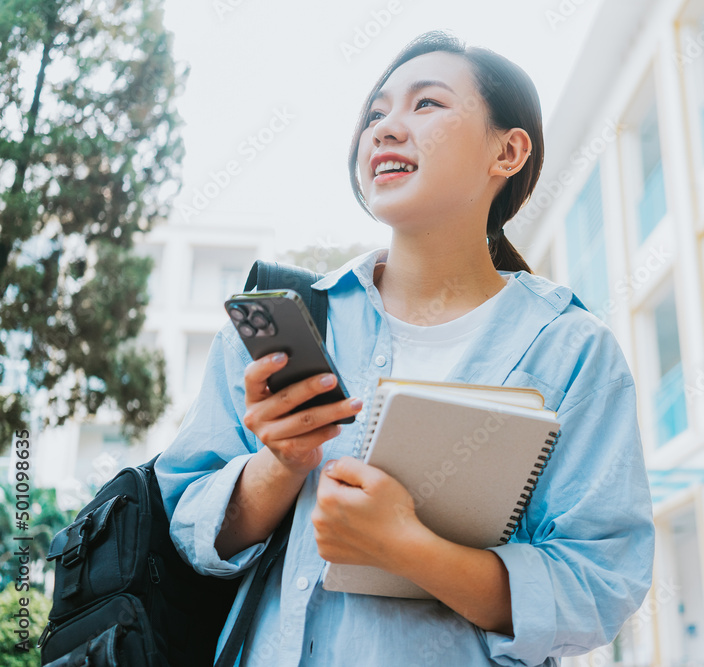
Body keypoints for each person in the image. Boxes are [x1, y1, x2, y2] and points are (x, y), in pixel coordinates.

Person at [155, 30, 654, 666]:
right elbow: (191, 528)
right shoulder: (283, 326)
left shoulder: (571, 352)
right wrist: (280, 463)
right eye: (375, 113)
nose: (385, 129)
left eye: (426, 105)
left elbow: (599, 584)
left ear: (509, 150)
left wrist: (408, 547)